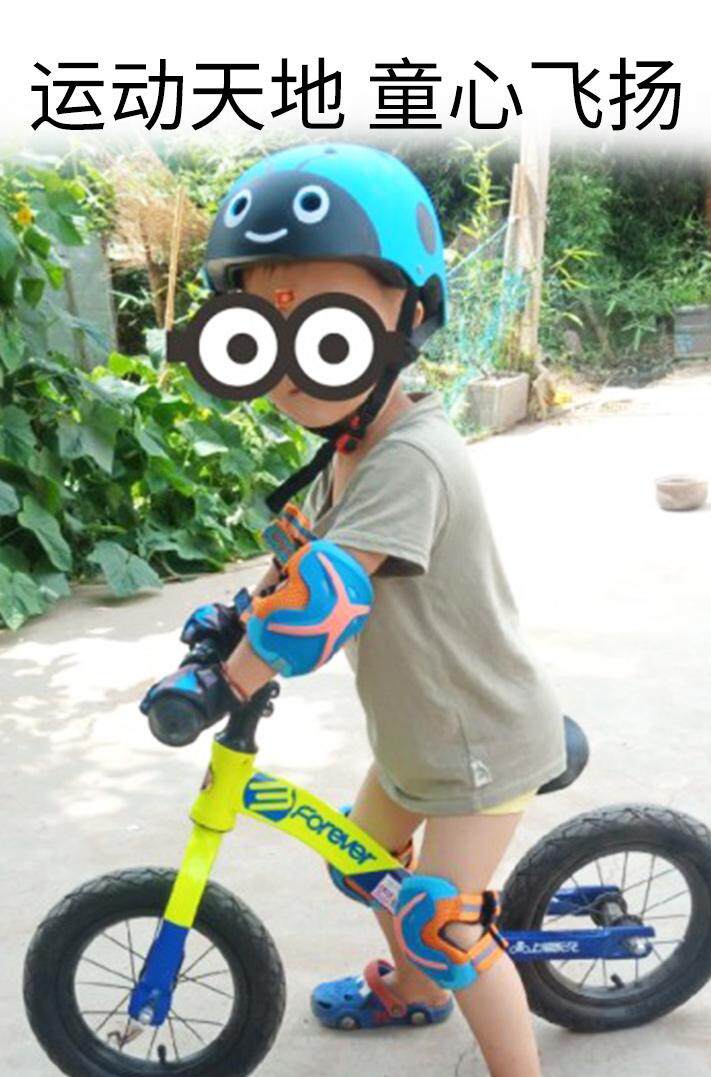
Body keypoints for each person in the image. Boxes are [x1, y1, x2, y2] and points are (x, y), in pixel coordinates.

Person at [143, 142, 567, 1076]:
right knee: (363, 859)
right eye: (263, 330)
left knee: (446, 927)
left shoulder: (410, 458)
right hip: (419, 736)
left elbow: (321, 601)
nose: (292, 368)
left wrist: (230, 679)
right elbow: (296, 563)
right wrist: (232, 617)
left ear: (408, 316)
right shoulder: (351, 446)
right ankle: (413, 992)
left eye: (326, 330)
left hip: (477, 743)